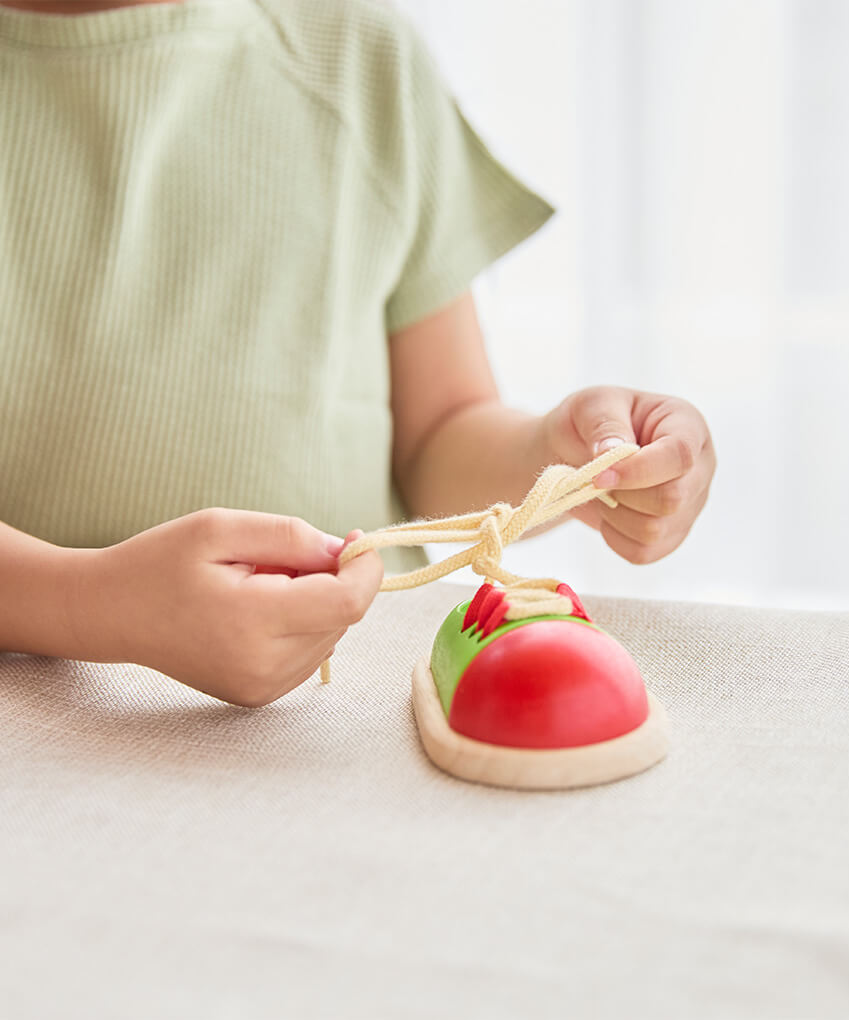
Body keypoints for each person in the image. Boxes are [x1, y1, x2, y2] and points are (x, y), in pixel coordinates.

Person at [0, 0, 715, 707]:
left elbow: (439, 433)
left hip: (350, 721)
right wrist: (96, 607)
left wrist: (558, 458)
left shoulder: (361, 60)